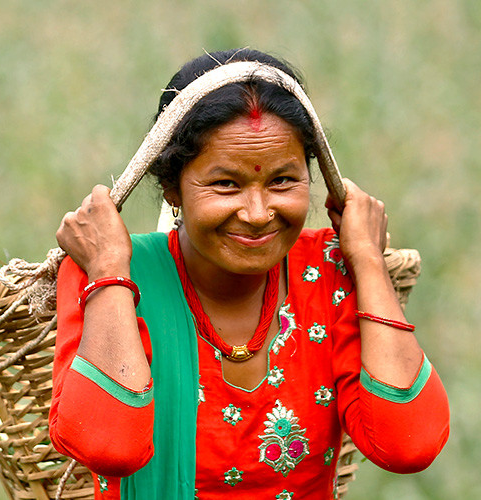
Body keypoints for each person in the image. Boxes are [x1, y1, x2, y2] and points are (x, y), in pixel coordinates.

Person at [49, 49, 449, 499]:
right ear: (171, 187)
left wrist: (368, 260)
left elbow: (409, 445)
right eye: (226, 184)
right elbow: (110, 446)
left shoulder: (328, 272)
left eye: (282, 181)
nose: (258, 214)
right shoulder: (114, 274)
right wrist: (108, 272)